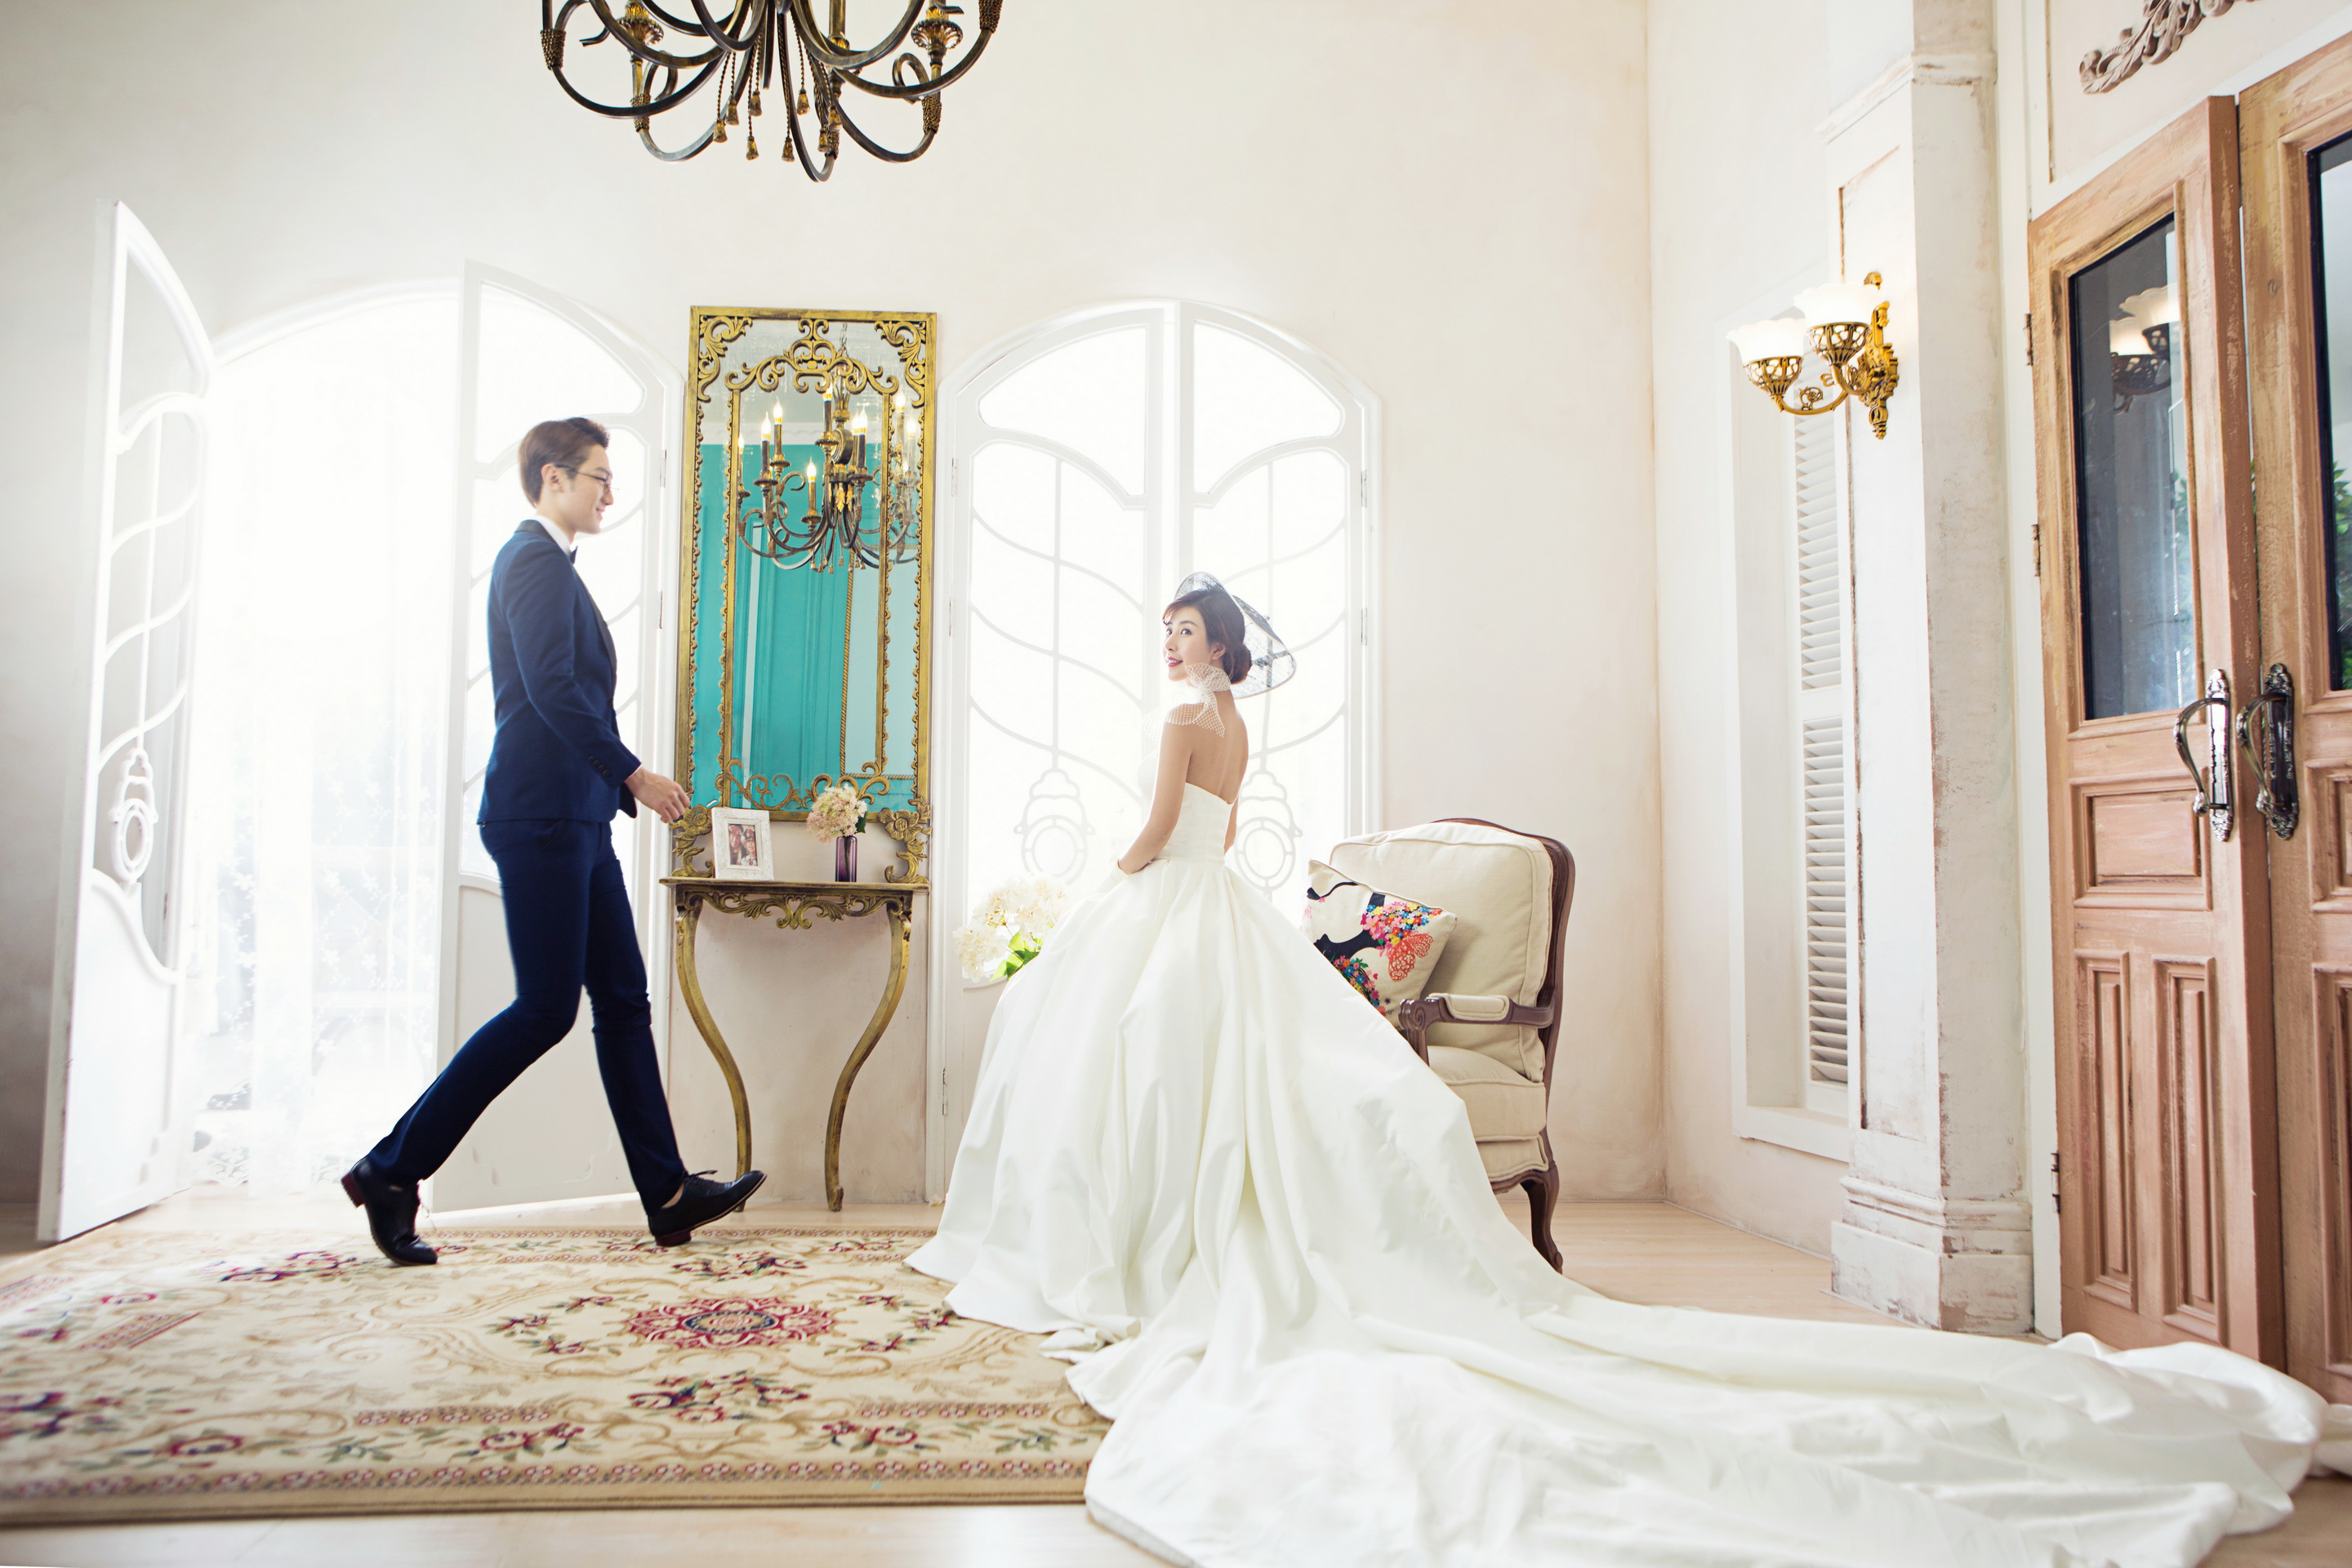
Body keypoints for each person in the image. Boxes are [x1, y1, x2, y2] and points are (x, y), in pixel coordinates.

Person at [911, 573, 2352, 1568]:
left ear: (1215, 645)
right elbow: (1225, 836)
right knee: (1180, 1069)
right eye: (1167, 628)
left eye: (1184, 628)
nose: (1172, 645)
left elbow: (1163, 832)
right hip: (1218, 903)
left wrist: (1101, 893)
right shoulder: (1240, 716)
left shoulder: (1182, 720)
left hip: (1174, 900)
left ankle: (1134, 1244)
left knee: (1111, 1053)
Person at [343, 418, 764, 1265]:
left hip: (576, 814)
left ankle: (667, 1193)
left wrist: (610, 787)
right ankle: (391, 1170)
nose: (611, 494)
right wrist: (633, 774)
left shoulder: (552, 565)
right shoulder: (531, 560)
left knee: (624, 1001)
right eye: (599, 477)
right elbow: (550, 689)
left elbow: (567, 692)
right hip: (539, 815)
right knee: (545, 1010)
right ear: (552, 478)